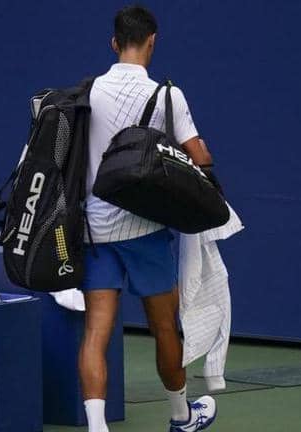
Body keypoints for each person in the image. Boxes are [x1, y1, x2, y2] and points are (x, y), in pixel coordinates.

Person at [80, 5, 219, 432]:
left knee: (96, 332)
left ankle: (97, 427)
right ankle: (181, 416)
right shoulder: (168, 96)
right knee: (164, 328)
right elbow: (200, 156)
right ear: (152, 41)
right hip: (146, 231)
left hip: (96, 231)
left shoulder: (89, 92)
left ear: (114, 43)